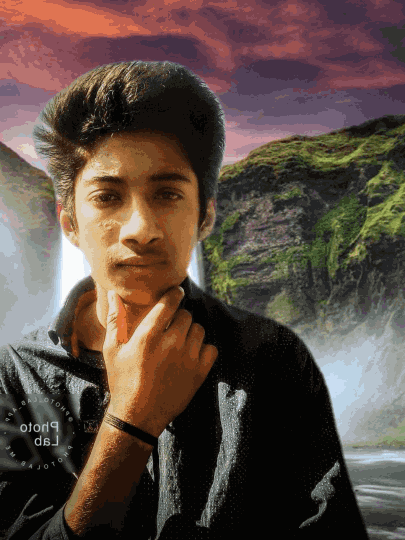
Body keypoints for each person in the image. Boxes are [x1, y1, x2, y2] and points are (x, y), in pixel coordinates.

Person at [0, 60, 369, 539]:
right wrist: (132, 419)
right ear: (69, 222)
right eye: (107, 197)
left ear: (205, 217)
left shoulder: (273, 360)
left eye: (168, 194)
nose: (141, 230)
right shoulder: (16, 375)